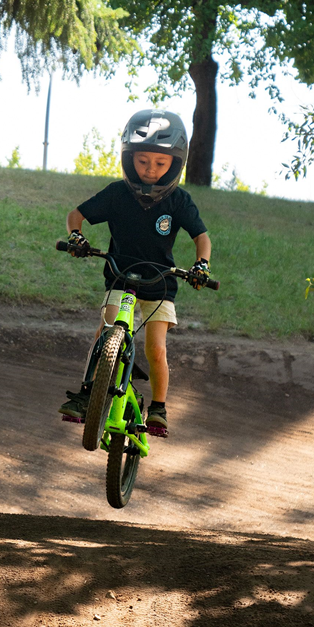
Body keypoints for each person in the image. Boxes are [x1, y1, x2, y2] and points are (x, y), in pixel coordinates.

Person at [59, 109, 212, 435]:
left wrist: (201, 265)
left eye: (160, 163)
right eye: (143, 161)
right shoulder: (117, 193)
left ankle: (158, 407)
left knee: (155, 348)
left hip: (160, 284)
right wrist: (77, 236)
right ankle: (87, 395)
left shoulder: (179, 201)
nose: (151, 169)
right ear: (129, 159)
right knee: (105, 331)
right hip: (120, 275)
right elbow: (77, 215)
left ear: (176, 162)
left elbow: (202, 237)